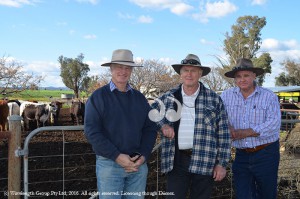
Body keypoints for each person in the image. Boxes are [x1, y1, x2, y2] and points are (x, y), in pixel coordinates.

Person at [150, 54, 231, 199]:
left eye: (193, 71)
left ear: (200, 74)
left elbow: (224, 134)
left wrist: (222, 163)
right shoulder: (169, 97)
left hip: (205, 159)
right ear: (180, 74)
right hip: (177, 160)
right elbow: (152, 112)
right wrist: (163, 126)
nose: (189, 74)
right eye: (185, 70)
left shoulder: (214, 99)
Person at [84, 49, 158, 198]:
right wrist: (117, 156)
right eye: (119, 67)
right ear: (111, 69)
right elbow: (92, 131)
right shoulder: (98, 97)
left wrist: (143, 155)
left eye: (127, 68)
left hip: (137, 166)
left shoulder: (139, 98)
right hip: (110, 165)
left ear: (131, 70)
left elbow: (150, 129)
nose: (123, 71)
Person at [220, 58, 281, 199]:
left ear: (254, 76)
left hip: (266, 153)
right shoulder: (226, 96)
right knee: (243, 194)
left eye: (246, 75)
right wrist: (227, 127)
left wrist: (245, 132)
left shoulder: (268, 96)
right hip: (241, 154)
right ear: (234, 79)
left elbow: (274, 123)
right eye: (239, 76)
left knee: (267, 193)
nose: (242, 79)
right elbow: (220, 117)